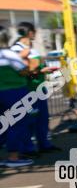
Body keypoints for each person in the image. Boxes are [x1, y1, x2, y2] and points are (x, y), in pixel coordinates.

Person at [11, 23, 60, 154]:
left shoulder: (30, 48)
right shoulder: (17, 49)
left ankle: (44, 144)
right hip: (27, 88)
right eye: (34, 31)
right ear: (30, 32)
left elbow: (33, 68)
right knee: (28, 119)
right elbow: (21, 69)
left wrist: (41, 70)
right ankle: (27, 148)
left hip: (39, 87)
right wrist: (38, 70)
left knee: (42, 118)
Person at [0, 28, 36, 167]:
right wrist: (26, 61)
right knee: (16, 124)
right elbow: (24, 71)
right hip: (14, 92)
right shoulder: (9, 54)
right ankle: (13, 158)